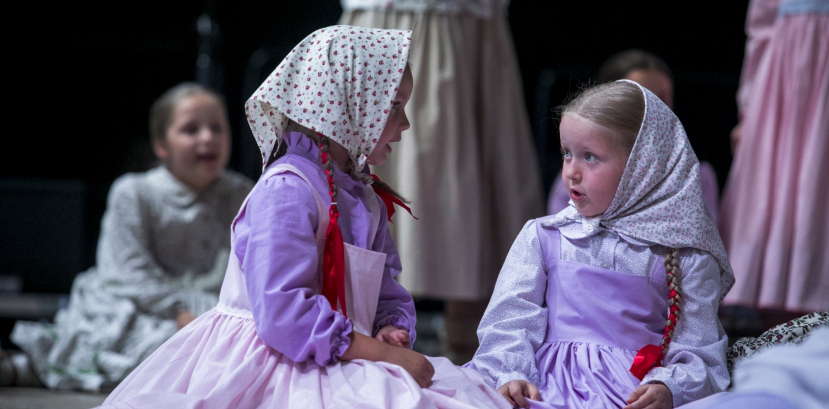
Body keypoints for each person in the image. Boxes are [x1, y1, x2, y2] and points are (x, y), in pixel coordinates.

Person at [96, 26, 510, 409]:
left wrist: (389, 327)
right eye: (394, 105)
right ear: (350, 101)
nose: (403, 123)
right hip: (278, 360)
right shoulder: (287, 189)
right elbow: (284, 313)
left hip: (347, 350)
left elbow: (385, 289)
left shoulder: (362, 194)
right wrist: (381, 353)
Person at [469, 80, 733, 409]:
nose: (571, 172)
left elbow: (699, 348)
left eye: (590, 157)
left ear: (643, 167)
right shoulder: (545, 235)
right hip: (542, 385)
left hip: (630, 394)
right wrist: (510, 374)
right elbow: (510, 318)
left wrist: (669, 387)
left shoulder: (684, 255)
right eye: (567, 154)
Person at [6, 83, 253, 391]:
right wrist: (179, 313)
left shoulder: (243, 193)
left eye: (217, 128)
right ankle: (24, 369)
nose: (208, 138)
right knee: (158, 345)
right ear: (162, 145)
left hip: (212, 309)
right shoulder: (135, 192)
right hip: (142, 304)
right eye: (191, 130)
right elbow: (127, 272)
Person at [340, 0, 544, 362]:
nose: (403, 122)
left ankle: (477, 355)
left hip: (467, 26)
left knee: (472, 197)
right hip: (385, 23)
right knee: (370, 184)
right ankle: (368, 347)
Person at [718, 0, 829, 325]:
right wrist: (748, 108)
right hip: (783, 80)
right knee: (780, 186)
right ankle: (780, 315)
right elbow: (761, 32)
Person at [547, 50, 720, 223]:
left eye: (663, 98)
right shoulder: (575, 176)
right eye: (643, 99)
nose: (657, 109)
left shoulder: (697, 176)